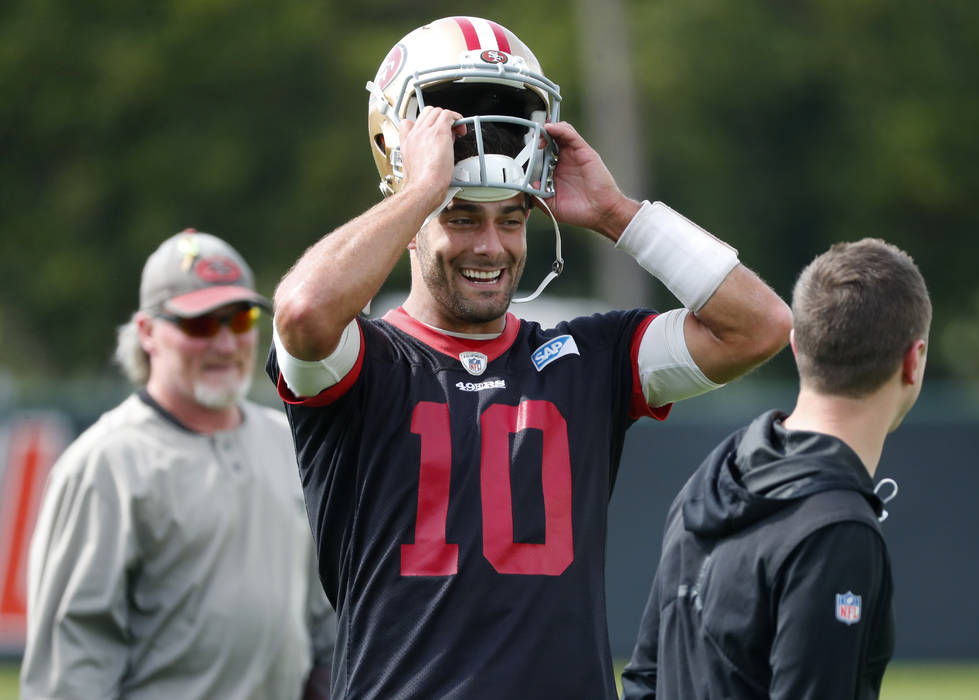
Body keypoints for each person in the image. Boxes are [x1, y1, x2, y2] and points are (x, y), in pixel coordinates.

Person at [268, 15, 792, 699]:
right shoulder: (363, 362)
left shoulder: (584, 359)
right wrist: (422, 189)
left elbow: (760, 326)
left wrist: (617, 213)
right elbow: (303, 311)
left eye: (511, 218)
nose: (490, 246)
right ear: (410, 213)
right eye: (462, 218)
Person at [21, 230, 336, 699]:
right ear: (147, 333)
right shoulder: (104, 464)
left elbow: (323, 628)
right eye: (200, 325)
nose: (226, 344)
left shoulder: (288, 444)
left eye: (240, 319)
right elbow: (71, 666)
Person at [621, 238, 932, 700]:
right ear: (913, 360)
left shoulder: (713, 477)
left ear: (795, 345)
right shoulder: (837, 530)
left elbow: (645, 680)